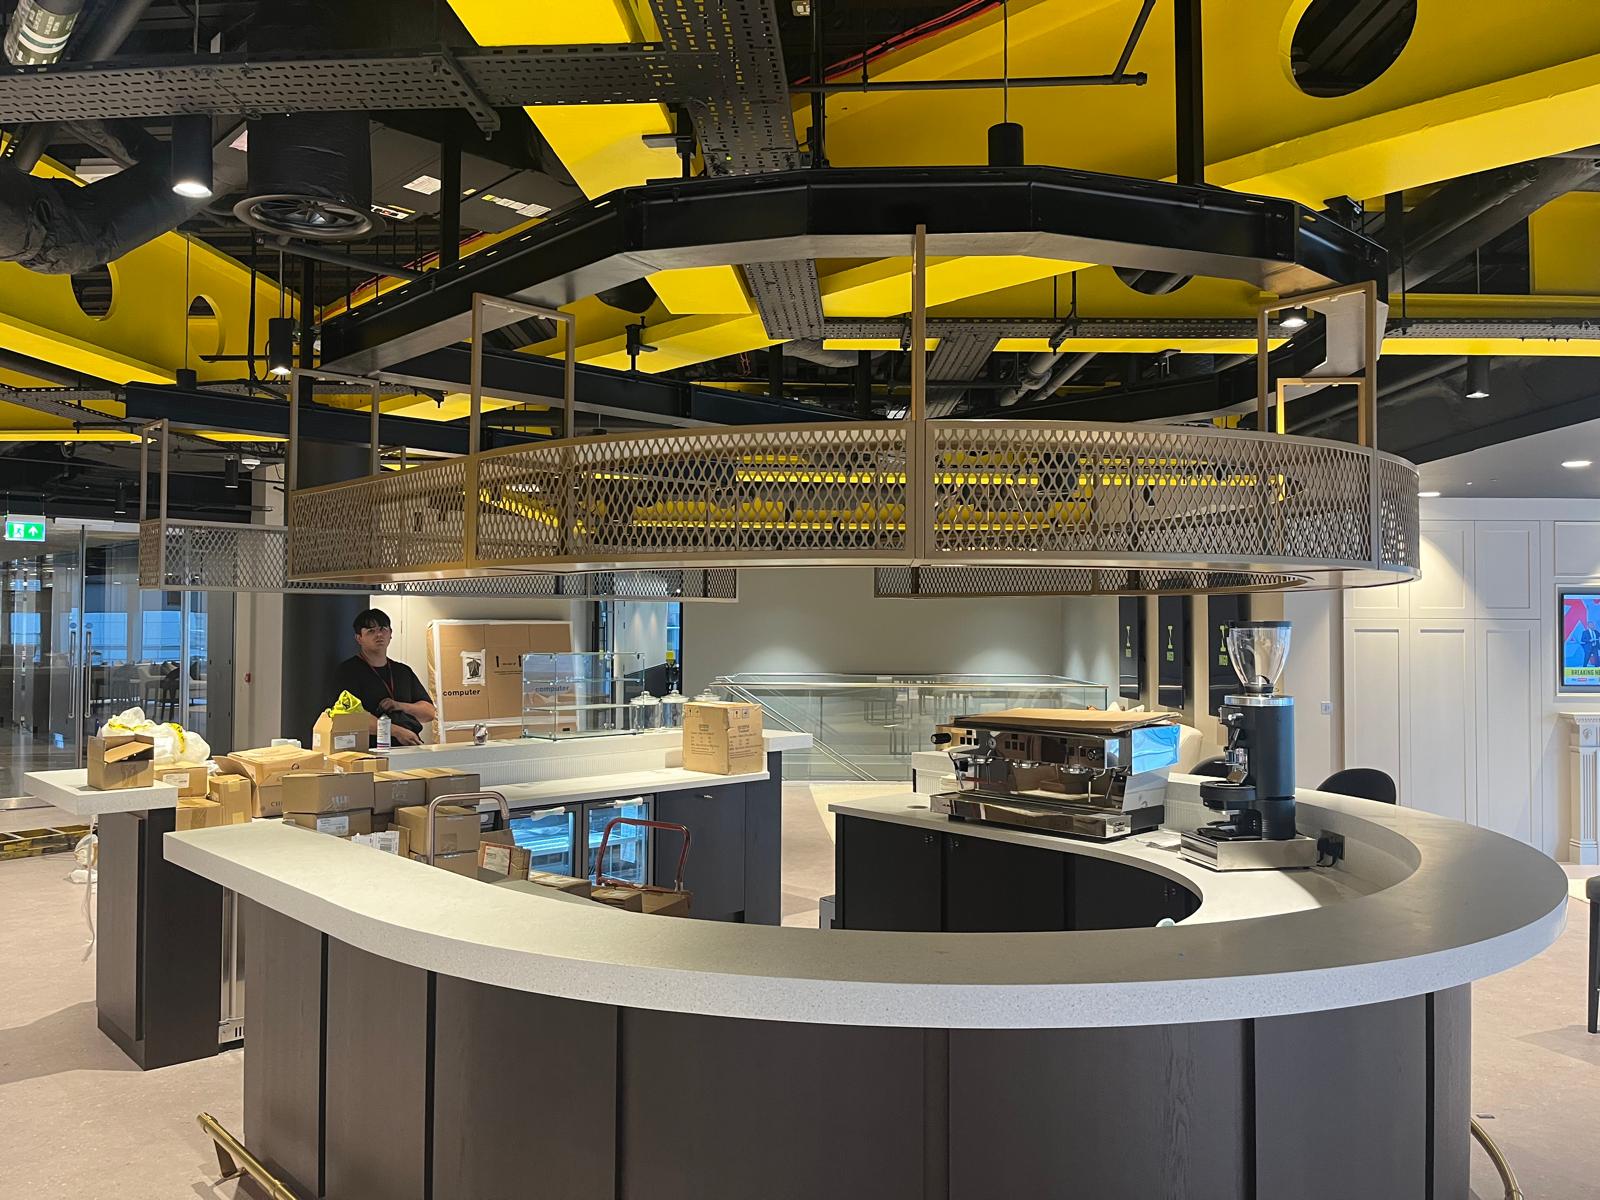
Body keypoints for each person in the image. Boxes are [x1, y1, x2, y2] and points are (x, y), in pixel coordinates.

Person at [332, 609, 435, 746]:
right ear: (359, 638)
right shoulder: (348, 671)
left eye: (383, 629)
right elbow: (350, 716)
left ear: (390, 633)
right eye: (371, 631)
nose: (379, 635)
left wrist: (399, 706)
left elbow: (429, 712)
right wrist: (397, 732)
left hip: (409, 746)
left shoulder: (403, 671)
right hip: (370, 750)